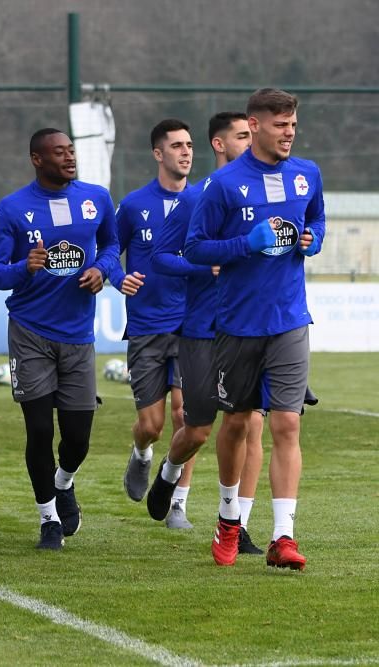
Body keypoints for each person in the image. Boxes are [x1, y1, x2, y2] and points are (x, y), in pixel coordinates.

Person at [185, 88, 324, 570]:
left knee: (287, 423)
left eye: (293, 124)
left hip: (289, 319)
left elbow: (317, 221)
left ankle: (282, 536)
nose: (289, 132)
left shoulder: (307, 175)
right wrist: (246, 243)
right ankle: (228, 519)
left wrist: (312, 240)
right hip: (239, 325)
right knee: (239, 423)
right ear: (255, 124)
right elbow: (196, 249)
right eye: (280, 124)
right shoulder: (223, 186)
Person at [0, 128, 120, 550]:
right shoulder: (11, 209)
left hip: (78, 335)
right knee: (40, 430)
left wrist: (103, 270)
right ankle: (48, 520)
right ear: (36, 160)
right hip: (30, 333)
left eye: (71, 151)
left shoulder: (96, 198)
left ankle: (64, 482)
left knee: (77, 437)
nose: (69, 157)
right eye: (58, 152)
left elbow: (112, 245)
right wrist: (25, 266)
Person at [147, 112, 268, 552]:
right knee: (197, 429)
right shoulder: (196, 199)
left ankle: (238, 525)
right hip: (202, 331)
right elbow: (160, 256)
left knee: (250, 426)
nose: (250, 141)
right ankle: (168, 471)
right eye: (242, 135)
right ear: (219, 145)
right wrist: (204, 264)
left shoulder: (265, 194)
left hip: (252, 327)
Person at [108, 119, 193, 527]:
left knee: (186, 417)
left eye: (189, 145)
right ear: (159, 153)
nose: (186, 152)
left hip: (192, 325)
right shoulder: (134, 205)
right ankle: (141, 454)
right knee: (153, 425)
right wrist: (116, 276)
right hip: (145, 327)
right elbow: (107, 250)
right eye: (176, 145)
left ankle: (177, 501)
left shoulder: (203, 202)